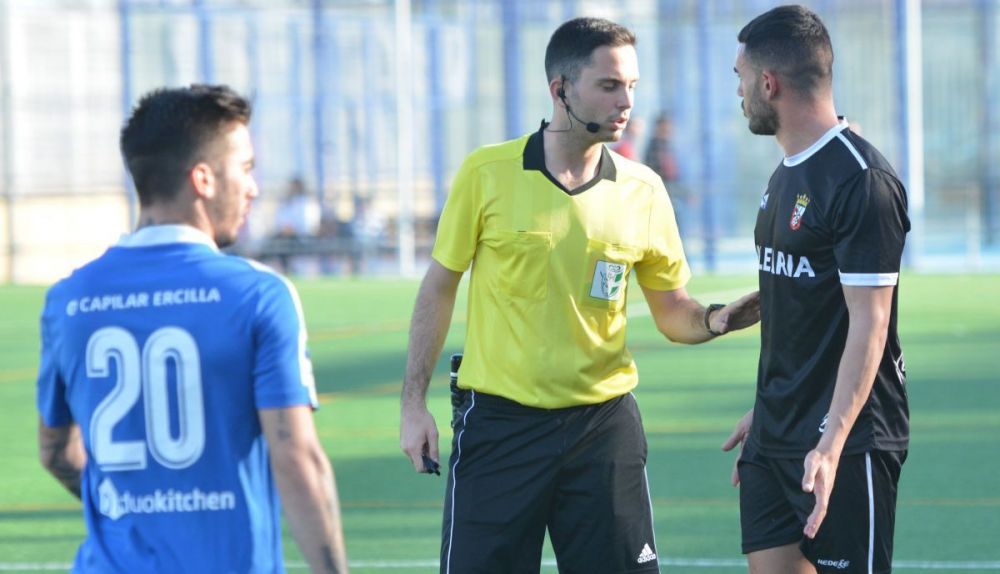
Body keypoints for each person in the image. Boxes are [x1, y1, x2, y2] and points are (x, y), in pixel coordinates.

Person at [399, 17, 760, 574]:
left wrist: (714, 320)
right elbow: (438, 288)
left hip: (602, 430)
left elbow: (672, 310)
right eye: (609, 85)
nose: (626, 102)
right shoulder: (486, 172)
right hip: (499, 426)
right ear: (560, 89)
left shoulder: (643, 190)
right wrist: (412, 404)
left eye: (632, 86)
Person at [36, 85, 349, 573]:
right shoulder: (257, 294)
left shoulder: (68, 300)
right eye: (245, 168)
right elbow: (296, 459)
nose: (253, 188)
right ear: (203, 179)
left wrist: (136, 507)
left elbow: (55, 452)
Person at [721, 6, 910, 573]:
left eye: (740, 78)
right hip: (774, 434)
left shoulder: (861, 180)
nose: (738, 92)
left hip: (846, 442)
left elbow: (870, 323)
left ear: (768, 83)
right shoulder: (786, 172)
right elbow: (804, 307)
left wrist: (829, 444)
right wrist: (769, 407)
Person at [644, 113, 691, 235]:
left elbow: (674, 175)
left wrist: (685, 193)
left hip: (672, 196)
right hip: (662, 197)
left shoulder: (667, 146)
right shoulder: (654, 148)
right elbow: (658, 175)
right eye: (665, 127)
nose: (669, 130)